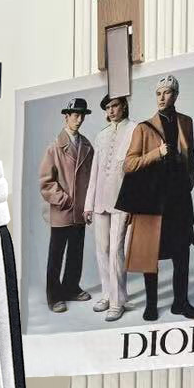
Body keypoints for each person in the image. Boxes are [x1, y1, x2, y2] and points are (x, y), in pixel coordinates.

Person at [116, 73, 194, 322]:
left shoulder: (186, 122)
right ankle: (151, 305)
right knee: (150, 251)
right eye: (158, 93)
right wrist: (157, 152)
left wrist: (189, 181)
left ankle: (181, 303)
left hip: (178, 198)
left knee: (182, 252)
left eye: (167, 93)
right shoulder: (143, 128)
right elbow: (129, 164)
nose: (162, 98)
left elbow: (191, 156)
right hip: (152, 199)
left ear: (176, 95)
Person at [38, 96, 94, 313]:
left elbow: (92, 178)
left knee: (76, 252)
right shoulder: (54, 147)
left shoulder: (87, 146)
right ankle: (54, 296)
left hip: (80, 211)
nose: (79, 120)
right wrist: (64, 199)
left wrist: (88, 204)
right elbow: (46, 182)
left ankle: (71, 288)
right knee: (56, 254)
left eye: (82, 116)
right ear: (66, 117)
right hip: (62, 210)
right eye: (75, 115)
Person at [83, 93, 135, 321]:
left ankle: (117, 301)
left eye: (114, 106)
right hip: (100, 201)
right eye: (107, 108)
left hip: (122, 200)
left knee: (116, 250)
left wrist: (133, 203)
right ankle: (107, 294)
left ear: (123, 106)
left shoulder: (135, 129)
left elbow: (137, 172)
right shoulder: (101, 135)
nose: (111, 111)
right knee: (102, 249)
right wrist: (88, 205)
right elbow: (94, 172)